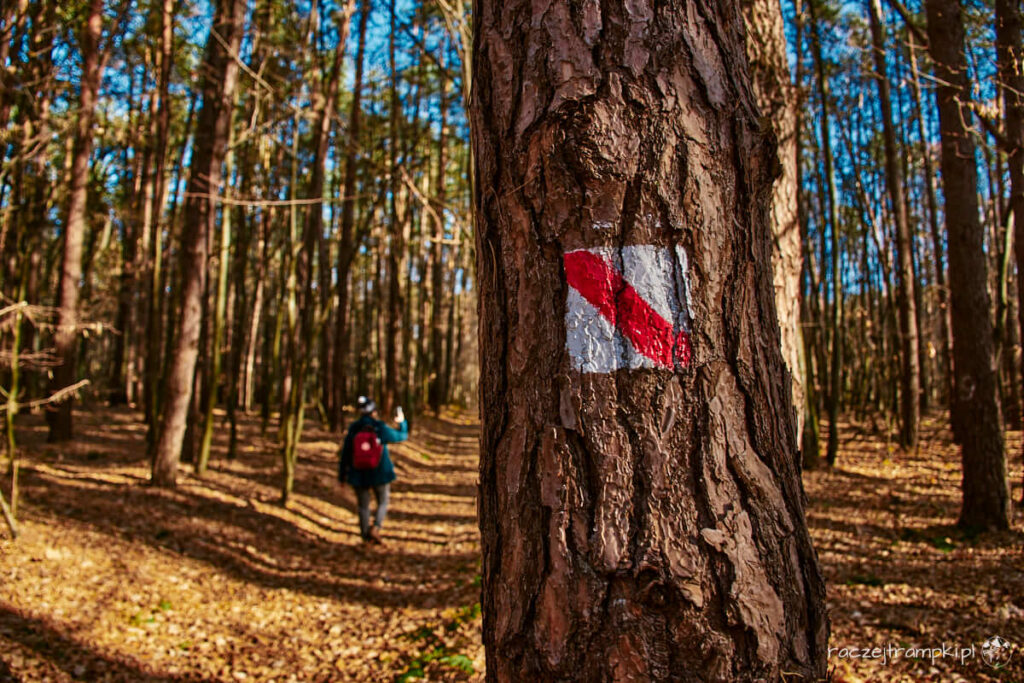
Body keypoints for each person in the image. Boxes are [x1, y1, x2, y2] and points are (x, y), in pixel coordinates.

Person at [338, 396, 408, 544]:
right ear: (374, 412)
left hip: (357, 474)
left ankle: (365, 537)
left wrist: (342, 476)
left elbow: (345, 454)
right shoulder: (380, 428)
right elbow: (402, 436)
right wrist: (402, 423)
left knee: (363, 506)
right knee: (383, 501)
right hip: (380, 474)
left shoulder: (353, 429)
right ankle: (376, 527)